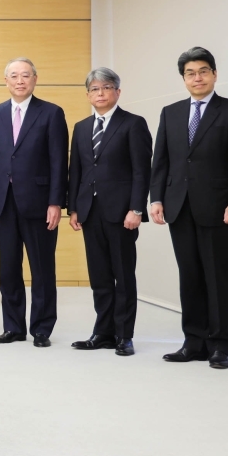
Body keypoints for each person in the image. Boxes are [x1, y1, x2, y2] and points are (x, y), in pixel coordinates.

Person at [149, 47, 228, 369]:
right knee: (190, 276)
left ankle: (220, 345)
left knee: (217, 277)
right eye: (190, 73)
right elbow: (161, 161)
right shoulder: (170, 113)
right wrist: (156, 198)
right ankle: (193, 342)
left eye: (203, 71)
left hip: (219, 209)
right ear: (183, 78)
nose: (197, 78)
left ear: (214, 74)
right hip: (178, 208)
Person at [0, 57, 68, 348]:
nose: (20, 80)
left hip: (40, 204)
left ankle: (42, 329)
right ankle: (13, 327)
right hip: (3, 203)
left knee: (42, 269)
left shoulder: (52, 113)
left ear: (35, 79)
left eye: (25, 75)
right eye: (14, 76)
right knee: (8, 269)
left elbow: (59, 162)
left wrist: (56, 202)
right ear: (5, 81)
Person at [68, 68, 151, 357]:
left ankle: (124, 336)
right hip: (90, 212)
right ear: (88, 94)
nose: (99, 94)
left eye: (106, 88)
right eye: (93, 89)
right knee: (100, 276)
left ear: (117, 91)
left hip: (122, 214)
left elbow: (142, 171)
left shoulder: (133, 124)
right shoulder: (80, 127)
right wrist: (74, 208)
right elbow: (76, 170)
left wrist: (136, 209)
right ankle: (102, 332)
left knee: (123, 276)